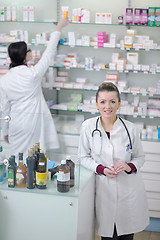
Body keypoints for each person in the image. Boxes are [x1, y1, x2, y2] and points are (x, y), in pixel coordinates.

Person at [78, 82, 149, 240]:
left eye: (112, 101)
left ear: (119, 104)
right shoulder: (88, 127)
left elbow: (140, 157)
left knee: (126, 235)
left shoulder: (130, 129)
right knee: (108, 236)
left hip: (128, 191)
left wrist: (129, 166)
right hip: (104, 191)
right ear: (96, 104)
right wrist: (101, 169)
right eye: (102, 102)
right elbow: (83, 157)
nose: (107, 106)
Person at [0, 18, 69, 157]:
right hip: (32, 123)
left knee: (17, 159)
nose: (31, 52)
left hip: (15, 124)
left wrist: (5, 132)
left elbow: (4, 109)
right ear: (25, 56)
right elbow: (49, 52)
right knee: (35, 158)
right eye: (29, 50)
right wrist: (59, 28)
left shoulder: (4, 80)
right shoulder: (33, 74)